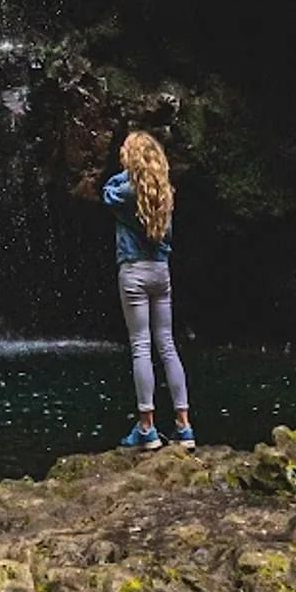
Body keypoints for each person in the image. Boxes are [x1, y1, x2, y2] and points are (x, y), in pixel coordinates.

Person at [101, 127, 193, 451]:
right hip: (160, 272)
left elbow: (106, 191)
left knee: (141, 345)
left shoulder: (125, 192)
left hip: (134, 272)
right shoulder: (166, 192)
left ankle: (146, 428)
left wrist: (126, 171)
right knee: (167, 345)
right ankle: (184, 426)